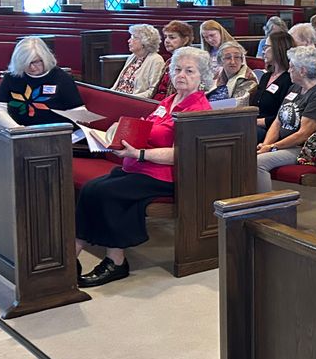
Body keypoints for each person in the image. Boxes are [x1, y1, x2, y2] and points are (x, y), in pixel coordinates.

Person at [74, 47, 214, 287]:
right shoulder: (168, 101)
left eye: (189, 71)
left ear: (202, 76)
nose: (181, 75)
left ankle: (114, 262)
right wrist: (117, 138)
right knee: (91, 188)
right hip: (138, 167)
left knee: (105, 192)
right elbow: (148, 130)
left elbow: (183, 154)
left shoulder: (197, 110)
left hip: (165, 176)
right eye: (177, 69)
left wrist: (139, 153)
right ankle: (72, 258)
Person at [256, 46, 316, 192]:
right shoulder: (295, 87)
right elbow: (278, 121)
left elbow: (303, 134)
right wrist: (266, 144)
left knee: (258, 163)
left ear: (302, 71)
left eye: (291, 67)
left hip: (300, 149)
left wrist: (272, 147)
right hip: (282, 144)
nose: (289, 70)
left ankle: (265, 203)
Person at [0, 37, 85, 129]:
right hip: (19, 131)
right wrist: (17, 129)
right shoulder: (12, 77)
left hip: (56, 131)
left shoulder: (61, 77)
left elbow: (77, 109)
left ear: (45, 58)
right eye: (26, 63)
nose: (32, 67)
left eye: (36, 62)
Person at [252, 31, 295, 142]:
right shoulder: (266, 76)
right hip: (254, 124)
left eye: (266, 47)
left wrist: (256, 122)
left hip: (271, 130)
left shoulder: (289, 79)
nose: (263, 51)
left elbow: (285, 117)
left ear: (278, 48)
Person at [111, 24, 165, 98]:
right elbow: (119, 85)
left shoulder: (156, 60)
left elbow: (152, 91)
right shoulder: (132, 57)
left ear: (145, 42)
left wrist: (131, 99)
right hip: (119, 98)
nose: (129, 41)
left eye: (133, 37)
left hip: (133, 101)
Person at [205, 40, 257, 107]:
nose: (233, 62)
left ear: (242, 60)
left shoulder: (248, 78)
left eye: (237, 57)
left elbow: (238, 104)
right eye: (228, 58)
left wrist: (206, 107)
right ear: (220, 61)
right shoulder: (217, 75)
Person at [153, 21, 195, 100]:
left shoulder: (189, 62)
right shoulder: (169, 61)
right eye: (166, 37)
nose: (166, 41)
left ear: (185, 40)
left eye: (172, 37)